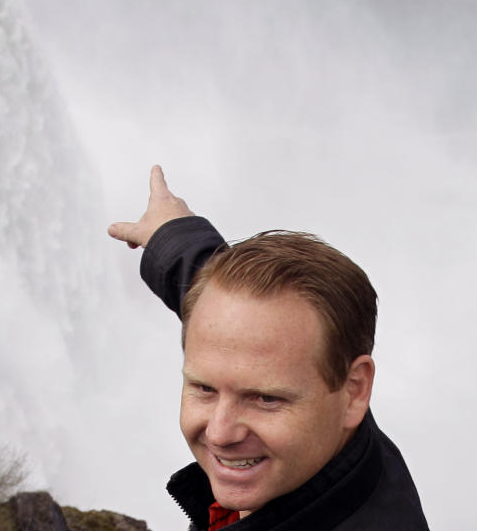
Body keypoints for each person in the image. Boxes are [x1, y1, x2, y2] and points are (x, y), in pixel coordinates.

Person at [107, 166, 429, 531]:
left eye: (264, 399)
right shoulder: (328, 407)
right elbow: (236, 315)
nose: (219, 433)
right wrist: (173, 237)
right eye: (204, 388)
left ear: (355, 390)